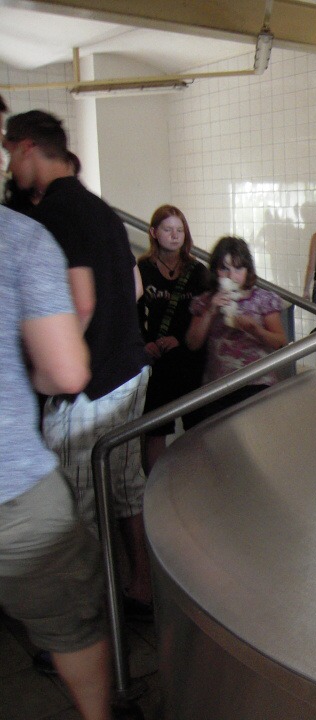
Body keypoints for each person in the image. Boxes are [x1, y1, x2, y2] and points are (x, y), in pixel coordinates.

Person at [2, 110, 153, 613]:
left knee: (78, 502)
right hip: (129, 367)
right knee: (127, 486)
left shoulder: (54, 214)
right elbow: (134, 287)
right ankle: (141, 584)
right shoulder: (100, 208)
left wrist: (53, 370)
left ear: (27, 147)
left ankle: (92, 613)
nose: (9, 166)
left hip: (90, 386)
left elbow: (81, 302)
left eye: (9, 153)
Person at [0, 205, 113, 720]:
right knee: (70, 625)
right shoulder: (21, 238)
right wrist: (27, 381)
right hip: (13, 487)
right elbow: (67, 373)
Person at [137, 205, 210, 474]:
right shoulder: (142, 269)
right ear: (154, 232)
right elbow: (133, 311)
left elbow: (204, 313)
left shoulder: (197, 271)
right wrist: (144, 343)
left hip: (189, 357)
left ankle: (196, 479)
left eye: (180, 230)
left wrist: (180, 339)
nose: (174, 235)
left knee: (198, 424)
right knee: (156, 428)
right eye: (168, 229)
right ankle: (157, 485)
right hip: (157, 360)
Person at [187, 236, 287, 422]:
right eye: (224, 268)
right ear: (215, 270)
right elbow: (193, 343)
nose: (232, 275)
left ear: (248, 270)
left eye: (238, 268)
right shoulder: (205, 301)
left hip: (258, 383)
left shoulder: (263, 299)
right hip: (218, 387)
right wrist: (211, 310)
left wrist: (255, 329)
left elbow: (280, 342)